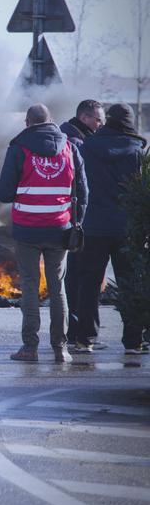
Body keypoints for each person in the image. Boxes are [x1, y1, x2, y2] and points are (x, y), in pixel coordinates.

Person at [0, 103, 87, 363]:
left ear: (27, 122)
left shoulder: (19, 148)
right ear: (52, 121)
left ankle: (30, 348)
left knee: (30, 287)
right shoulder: (70, 147)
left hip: (27, 230)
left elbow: (3, 193)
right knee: (58, 289)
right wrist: (76, 221)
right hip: (60, 228)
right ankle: (61, 348)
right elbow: (83, 191)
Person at [75, 103, 149, 355]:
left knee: (90, 283)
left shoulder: (88, 147)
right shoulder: (137, 150)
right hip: (127, 228)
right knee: (130, 283)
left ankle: (85, 339)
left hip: (94, 226)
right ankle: (133, 341)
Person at [59, 99, 105, 347]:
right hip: (76, 220)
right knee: (76, 279)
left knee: (74, 278)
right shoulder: (77, 143)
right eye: (97, 119)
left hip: (71, 219)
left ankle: (72, 332)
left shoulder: (72, 137)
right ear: (85, 117)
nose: (100, 124)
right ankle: (75, 332)